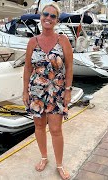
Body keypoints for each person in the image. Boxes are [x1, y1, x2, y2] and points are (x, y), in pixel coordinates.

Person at [22, 2, 73, 180]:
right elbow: (27, 68)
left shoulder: (63, 40)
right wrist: (25, 91)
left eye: (52, 16)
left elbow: (69, 67)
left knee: (56, 129)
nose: (48, 18)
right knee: (39, 126)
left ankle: (59, 164)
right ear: (40, 17)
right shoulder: (32, 42)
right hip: (36, 90)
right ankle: (44, 157)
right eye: (45, 14)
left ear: (57, 20)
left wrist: (68, 90)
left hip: (57, 91)